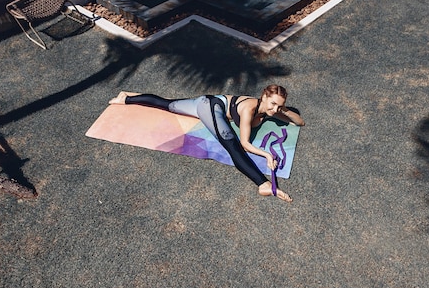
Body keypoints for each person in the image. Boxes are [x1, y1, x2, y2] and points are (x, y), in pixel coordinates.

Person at [109, 84, 305, 203]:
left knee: (168, 105)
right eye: (273, 104)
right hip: (210, 106)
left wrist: (284, 110)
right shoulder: (249, 109)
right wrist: (268, 155)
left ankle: (126, 98)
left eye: (279, 105)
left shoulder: (272, 108)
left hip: (207, 102)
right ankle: (262, 184)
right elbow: (245, 143)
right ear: (264, 97)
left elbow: (299, 122)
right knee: (232, 145)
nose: (275, 108)